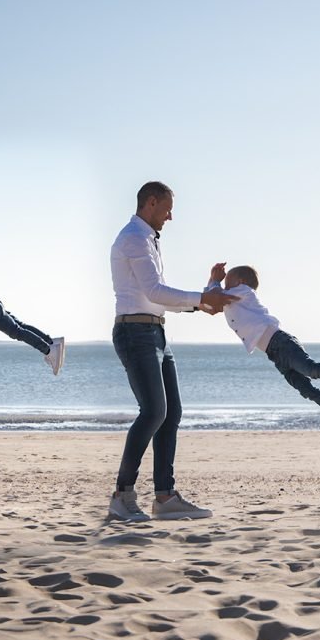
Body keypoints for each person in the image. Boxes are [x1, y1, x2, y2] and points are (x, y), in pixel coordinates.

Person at [108, 181, 239, 522]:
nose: (170, 216)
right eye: (167, 208)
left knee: (171, 412)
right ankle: (122, 496)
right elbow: (155, 289)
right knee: (153, 412)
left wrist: (200, 306)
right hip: (135, 333)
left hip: (154, 331)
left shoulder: (147, 239)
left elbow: (156, 296)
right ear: (150, 202)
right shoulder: (133, 238)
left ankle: (165, 497)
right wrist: (201, 298)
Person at [205, 263, 320, 446]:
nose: (224, 285)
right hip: (273, 352)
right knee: (306, 389)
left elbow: (214, 297)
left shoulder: (243, 291)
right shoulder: (231, 297)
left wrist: (214, 280)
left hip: (279, 342)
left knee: (310, 369)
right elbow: (210, 303)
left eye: (227, 282)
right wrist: (213, 282)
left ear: (240, 282)